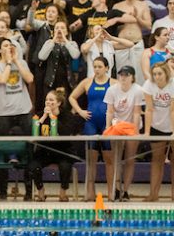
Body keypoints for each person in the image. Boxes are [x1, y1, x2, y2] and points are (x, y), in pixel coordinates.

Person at [0, 39, 34, 200]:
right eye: (5, 46)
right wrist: (8, 64)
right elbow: (1, 80)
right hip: (4, 113)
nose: (9, 48)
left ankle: (29, 191)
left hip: (23, 110)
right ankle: (2, 191)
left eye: (11, 45)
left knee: (29, 150)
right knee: (2, 151)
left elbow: (29, 79)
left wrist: (15, 61)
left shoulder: (20, 62)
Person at [70, 57, 115, 201]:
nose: (97, 69)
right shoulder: (87, 82)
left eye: (100, 67)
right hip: (91, 123)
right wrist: (80, 111)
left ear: (107, 68)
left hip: (107, 125)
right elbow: (72, 97)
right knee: (91, 160)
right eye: (95, 66)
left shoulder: (113, 83)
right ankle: (90, 192)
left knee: (109, 159)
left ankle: (111, 191)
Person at [29, 88, 79, 201]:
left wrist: (52, 117)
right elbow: (32, 134)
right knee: (33, 166)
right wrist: (43, 118)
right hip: (45, 151)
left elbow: (65, 133)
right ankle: (40, 191)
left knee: (65, 167)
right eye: (47, 100)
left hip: (62, 151)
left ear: (59, 103)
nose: (48, 102)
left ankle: (63, 192)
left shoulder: (67, 116)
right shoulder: (40, 115)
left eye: (51, 100)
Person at [104, 65, 145, 200]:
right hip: (117, 126)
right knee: (116, 159)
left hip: (132, 126)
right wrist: (107, 128)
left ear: (132, 77)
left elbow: (137, 112)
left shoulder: (138, 90)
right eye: (121, 75)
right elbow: (109, 111)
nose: (123, 77)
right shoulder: (111, 90)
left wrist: (135, 132)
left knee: (129, 159)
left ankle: (126, 190)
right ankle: (116, 188)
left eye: (126, 75)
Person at [142, 61, 174, 200]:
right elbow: (149, 109)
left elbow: (173, 110)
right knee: (157, 160)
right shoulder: (149, 84)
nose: (157, 77)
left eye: (159, 74)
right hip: (157, 126)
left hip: (171, 124)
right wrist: (147, 132)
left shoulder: (173, 84)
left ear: (166, 73)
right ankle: (153, 194)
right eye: (154, 74)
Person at [112, 0, 153, 71]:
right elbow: (112, 26)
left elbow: (149, 26)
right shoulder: (117, 7)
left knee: (139, 74)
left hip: (137, 43)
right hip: (121, 44)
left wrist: (137, 17)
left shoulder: (143, 5)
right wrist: (123, 19)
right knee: (121, 73)